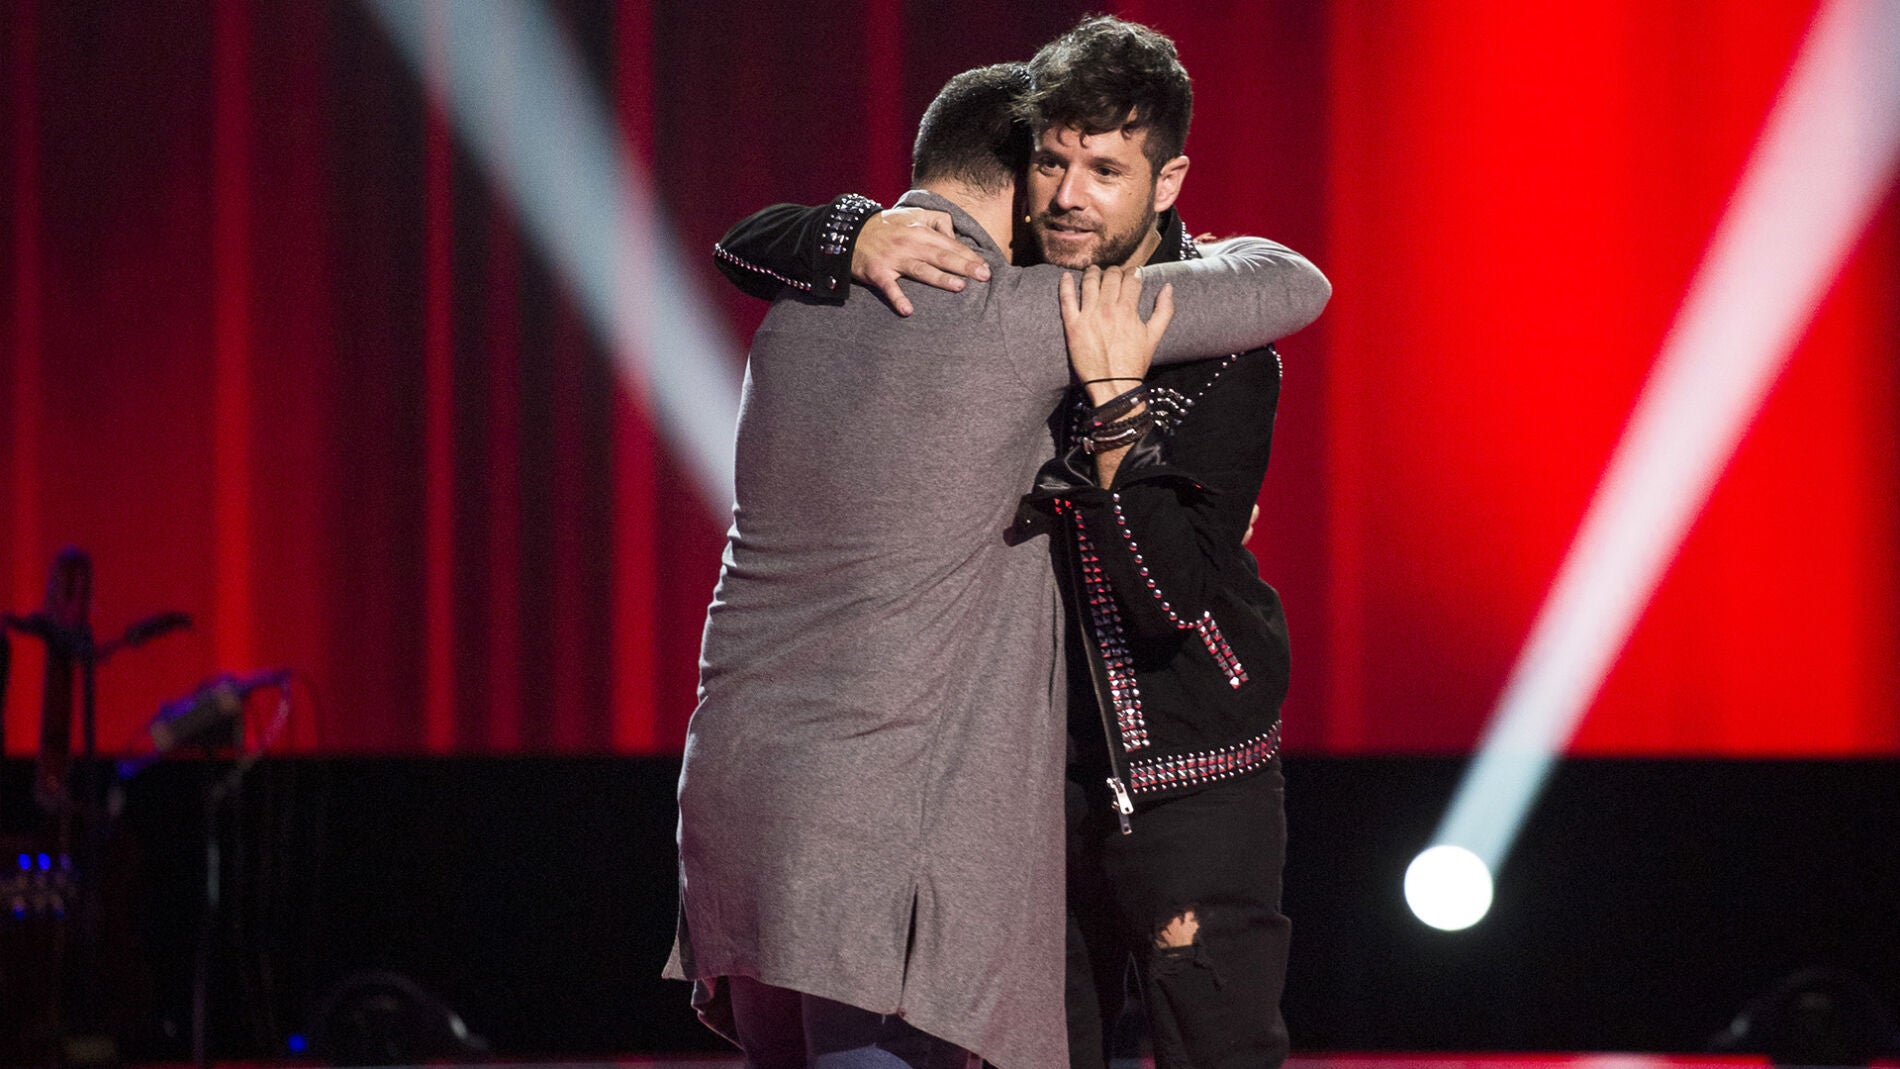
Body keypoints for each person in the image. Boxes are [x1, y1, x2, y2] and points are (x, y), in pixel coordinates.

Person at [669, 61, 1330, 1069]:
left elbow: (742, 244)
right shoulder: (1018, 312)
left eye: (1099, 168)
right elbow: (1292, 284)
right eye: (1054, 167)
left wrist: (841, 233)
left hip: (740, 786)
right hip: (891, 813)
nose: (1066, 199)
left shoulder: (795, 312)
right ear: (1019, 177)